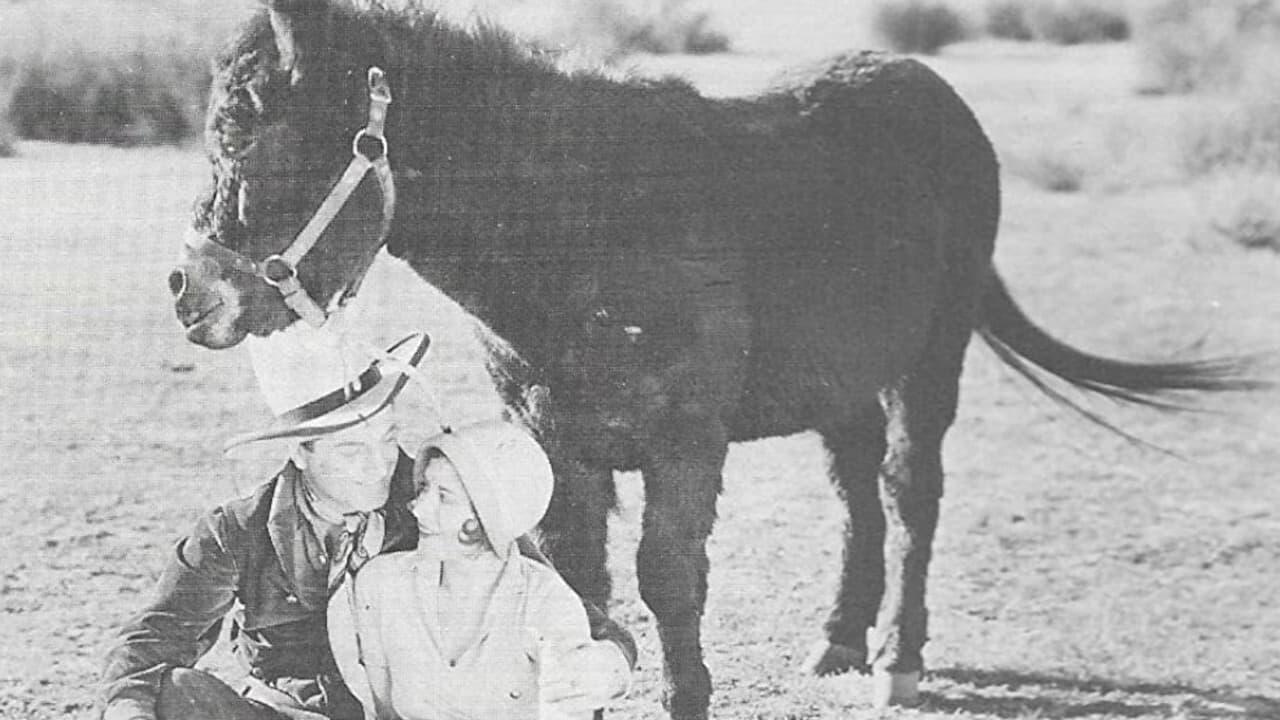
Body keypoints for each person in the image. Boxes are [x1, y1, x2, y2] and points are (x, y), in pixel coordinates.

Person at [99, 333, 636, 720]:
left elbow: (562, 608)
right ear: (300, 453)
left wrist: (607, 661)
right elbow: (152, 641)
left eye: (387, 438)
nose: (381, 465)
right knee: (177, 693)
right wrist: (128, 707)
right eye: (352, 450)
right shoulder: (238, 532)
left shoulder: (438, 501)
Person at [328, 419, 632, 720]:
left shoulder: (546, 603)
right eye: (422, 488)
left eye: (444, 497)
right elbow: (383, 712)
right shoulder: (380, 585)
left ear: (491, 518)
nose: (417, 508)